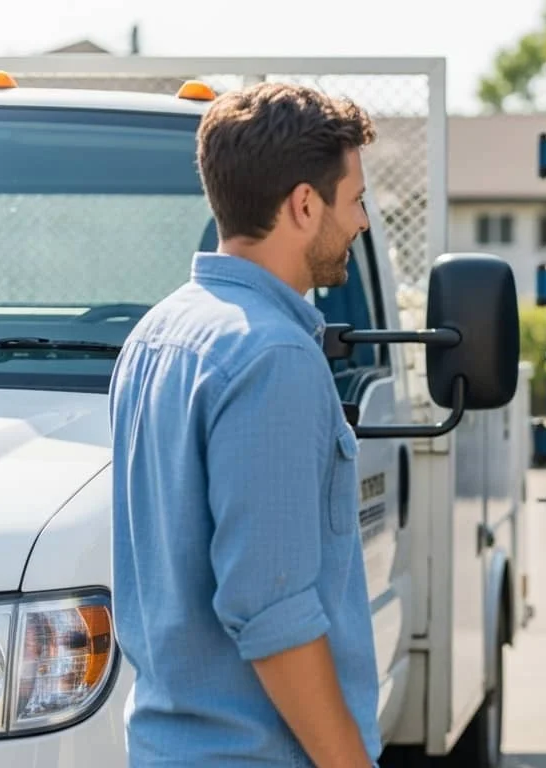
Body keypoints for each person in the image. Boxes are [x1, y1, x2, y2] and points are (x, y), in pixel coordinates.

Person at [108, 82, 379, 767]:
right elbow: (272, 613)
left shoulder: (156, 334)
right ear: (305, 204)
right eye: (357, 201)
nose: (364, 222)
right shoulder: (274, 356)